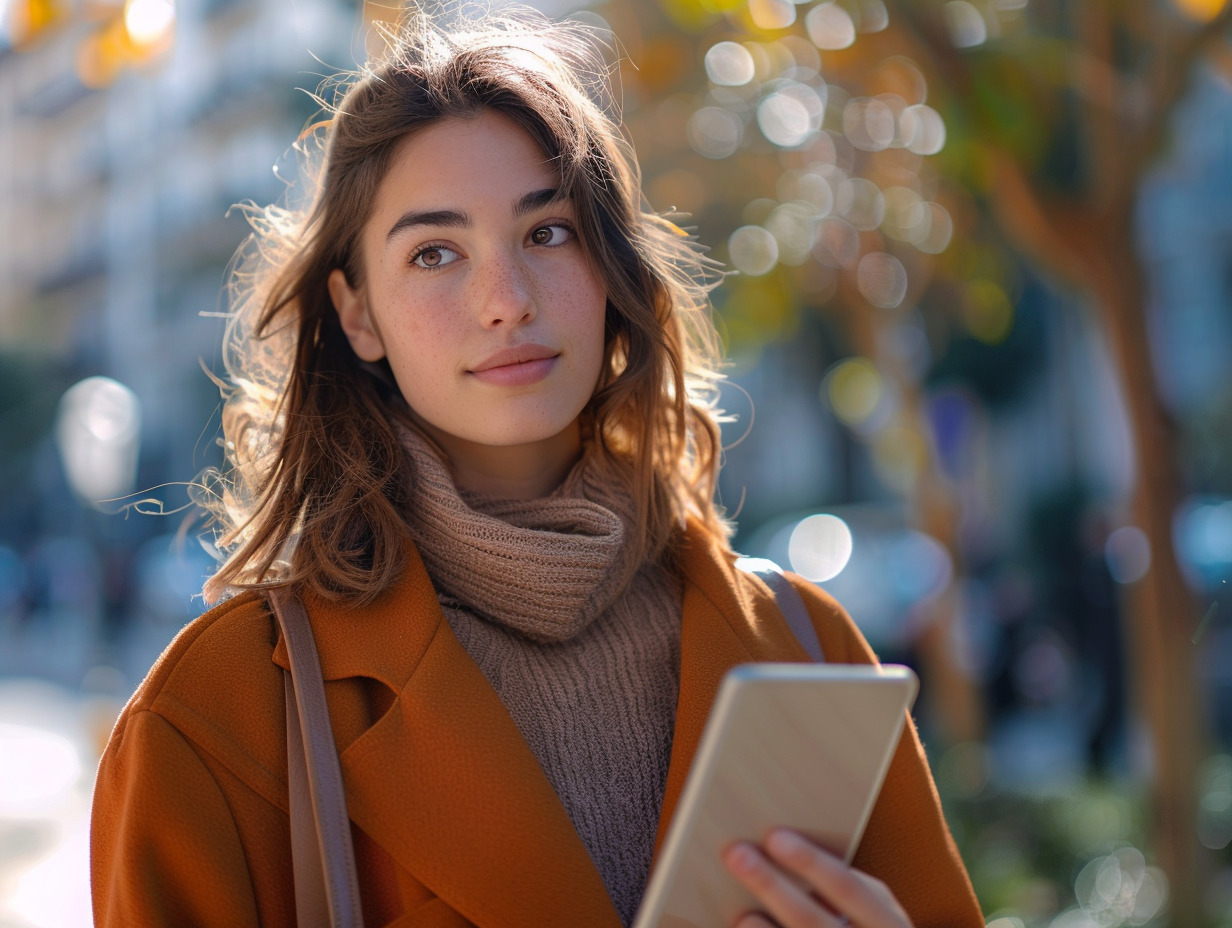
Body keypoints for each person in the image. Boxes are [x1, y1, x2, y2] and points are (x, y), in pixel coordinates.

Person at [90, 5, 984, 927]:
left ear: (609, 265)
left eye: (547, 231)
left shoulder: (804, 648)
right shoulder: (217, 719)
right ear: (357, 315)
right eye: (435, 253)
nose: (506, 301)